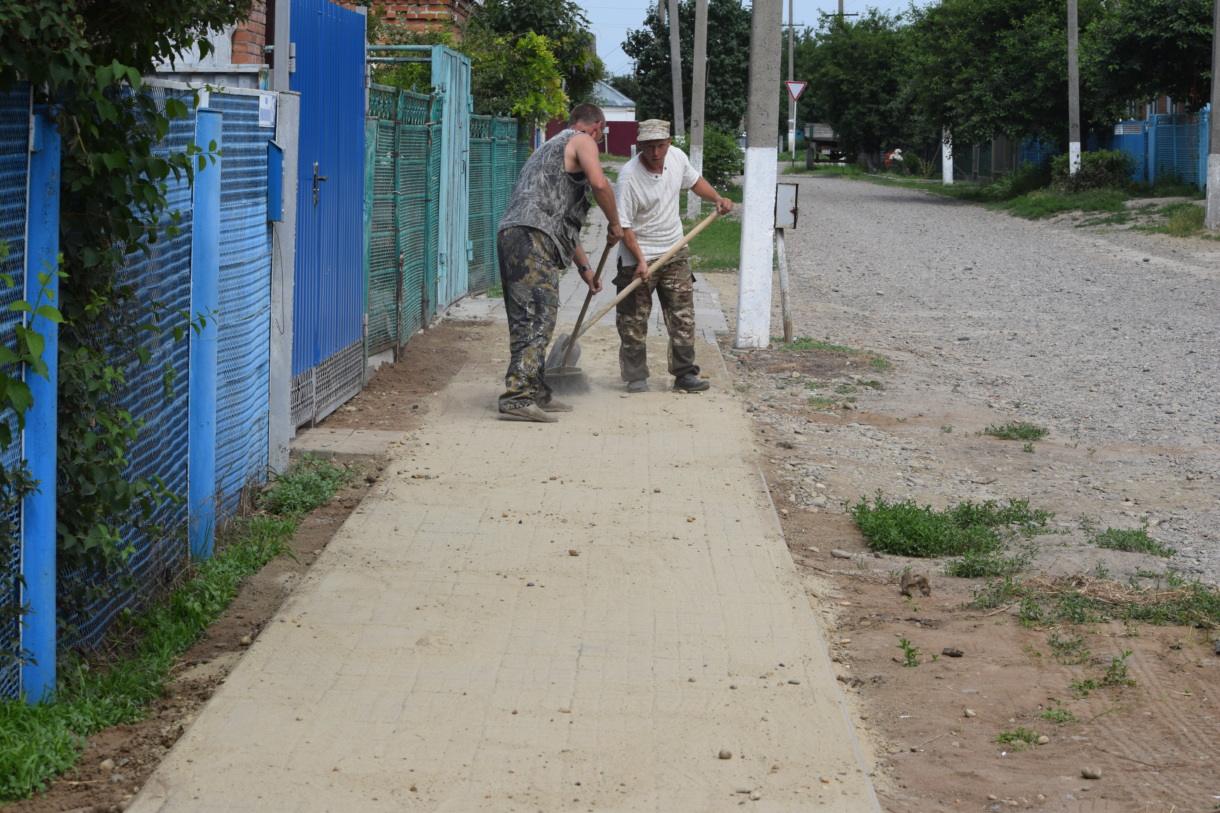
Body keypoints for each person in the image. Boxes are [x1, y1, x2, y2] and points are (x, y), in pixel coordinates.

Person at [495, 103, 623, 423]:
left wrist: (585, 269)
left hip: (517, 232)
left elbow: (561, 221)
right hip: (531, 235)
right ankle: (517, 398)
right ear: (596, 127)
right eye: (602, 133)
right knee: (536, 315)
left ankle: (534, 390)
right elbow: (600, 183)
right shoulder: (582, 140)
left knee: (535, 314)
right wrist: (614, 223)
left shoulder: (549, 149)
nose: (600, 139)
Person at [613, 119, 733, 394]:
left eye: (661, 146)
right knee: (633, 320)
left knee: (683, 316)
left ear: (669, 143)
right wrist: (641, 261)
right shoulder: (628, 178)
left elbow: (695, 181)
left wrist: (716, 198)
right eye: (649, 147)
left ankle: (685, 374)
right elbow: (624, 226)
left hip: (674, 250)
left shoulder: (677, 157)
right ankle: (636, 377)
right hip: (638, 254)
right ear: (639, 145)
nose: (656, 153)